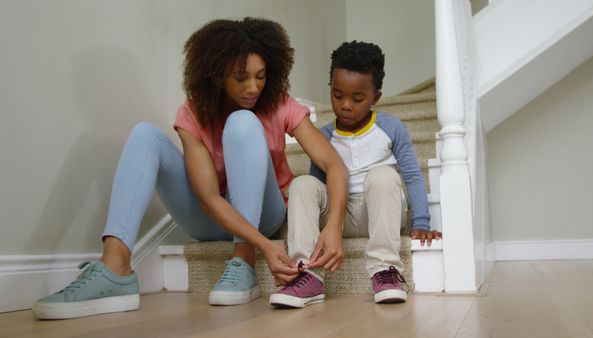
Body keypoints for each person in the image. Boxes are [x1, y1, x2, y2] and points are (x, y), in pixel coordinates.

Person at [32, 17, 348, 320]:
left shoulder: (279, 103)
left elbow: (333, 165)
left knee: (242, 121)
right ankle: (115, 267)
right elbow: (208, 197)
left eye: (261, 75)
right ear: (217, 74)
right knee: (146, 135)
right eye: (241, 78)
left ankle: (243, 260)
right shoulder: (194, 112)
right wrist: (267, 246)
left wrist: (332, 226)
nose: (253, 87)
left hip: (266, 214)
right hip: (210, 217)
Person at [269, 41, 442, 308]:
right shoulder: (324, 135)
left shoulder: (391, 128)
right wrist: (298, 229)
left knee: (383, 175)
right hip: (341, 215)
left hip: (380, 210)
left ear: (376, 97)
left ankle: (386, 270)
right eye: (337, 96)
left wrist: (421, 221)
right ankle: (308, 273)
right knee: (303, 183)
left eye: (357, 99)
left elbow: (413, 176)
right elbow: (318, 187)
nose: (346, 105)